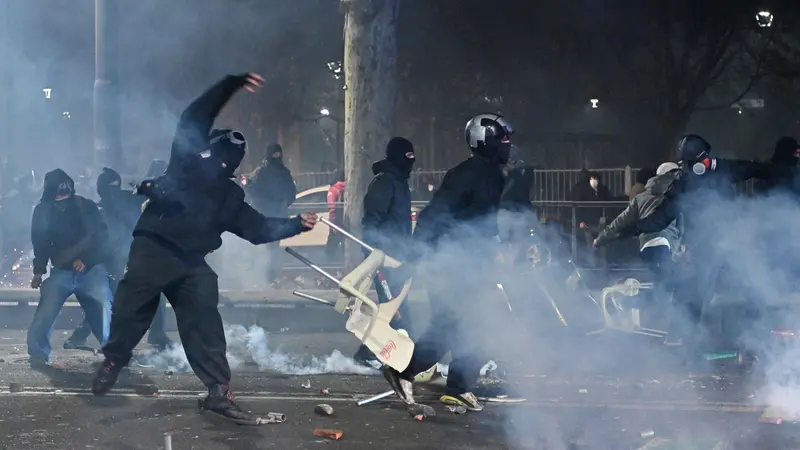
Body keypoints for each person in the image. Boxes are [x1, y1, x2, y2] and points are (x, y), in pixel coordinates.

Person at [91, 73, 318, 426]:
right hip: (155, 246)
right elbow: (195, 116)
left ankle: (217, 390)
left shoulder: (230, 196)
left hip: (191, 262)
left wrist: (295, 225)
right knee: (131, 307)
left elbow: (258, 229)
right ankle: (114, 359)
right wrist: (229, 85)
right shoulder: (188, 162)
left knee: (204, 320)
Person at [382, 113, 513, 413]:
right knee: (466, 326)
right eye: (502, 140)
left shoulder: (493, 175)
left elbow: (481, 221)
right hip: (453, 265)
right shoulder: (467, 174)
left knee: (458, 327)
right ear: (485, 143)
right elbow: (433, 216)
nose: (507, 145)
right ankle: (415, 374)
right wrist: (413, 261)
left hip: (468, 264)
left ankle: (449, 385)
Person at [64, 167, 173, 351]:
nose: (112, 192)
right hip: (112, 262)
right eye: (109, 187)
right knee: (106, 300)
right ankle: (82, 336)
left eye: (115, 186)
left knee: (142, 295)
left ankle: (157, 336)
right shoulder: (98, 210)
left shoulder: (127, 201)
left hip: (132, 258)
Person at [28, 169, 113, 368]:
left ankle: (114, 351)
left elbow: (101, 236)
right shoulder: (43, 210)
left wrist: (87, 259)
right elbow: (39, 241)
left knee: (103, 307)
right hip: (61, 272)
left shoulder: (85, 206)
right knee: (46, 311)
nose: (62, 196)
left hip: (90, 271)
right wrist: (38, 271)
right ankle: (38, 352)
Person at [593, 162, 683, 343]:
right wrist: (682, 246)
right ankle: (626, 304)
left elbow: (619, 223)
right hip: (663, 246)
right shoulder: (675, 197)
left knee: (669, 286)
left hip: (648, 247)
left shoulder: (640, 198)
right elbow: (681, 226)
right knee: (670, 288)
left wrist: (600, 239)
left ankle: (671, 331)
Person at [352, 137, 417, 367]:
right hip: (383, 257)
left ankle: (370, 353)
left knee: (393, 309)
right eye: (407, 157)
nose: (411, 162)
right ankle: (395, 359)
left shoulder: (399, 182)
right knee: (397, 310)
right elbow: (371, 220)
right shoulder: (384, 183)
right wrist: (374, 253)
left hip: (398, 258)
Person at [244, 143, 297, 284]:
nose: (277, 156)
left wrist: (283, 204)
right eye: (274, 153)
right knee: (261, 248)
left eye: (278, 153)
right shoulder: (260, 172)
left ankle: (270, 276)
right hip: (262, 216)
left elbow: (291, 193)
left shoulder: (283, 172)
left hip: (277, 216)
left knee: (273, 248)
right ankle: (259, 275)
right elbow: (252, 192)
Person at [325, 169, 346, 259]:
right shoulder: (349, 187)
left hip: (338, 222)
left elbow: (332, 207)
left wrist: (332, 224)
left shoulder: (334, 190)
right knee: (346, 247)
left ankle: (331, 267)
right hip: (349, 221)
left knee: (330, 250)